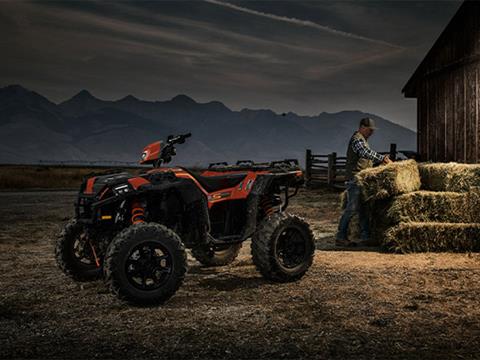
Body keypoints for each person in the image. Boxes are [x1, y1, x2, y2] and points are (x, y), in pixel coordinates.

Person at [336, 117, 392, 246]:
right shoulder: (357, 140)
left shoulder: (363, 140)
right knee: (352, 208)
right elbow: (364, 153)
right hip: (355, 179)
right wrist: (382, 158)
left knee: (363, 208)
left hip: (362, 179)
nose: (371, 133)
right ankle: (340, 236)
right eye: (370, 130)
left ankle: (366, 236)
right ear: (362, 127)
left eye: (372, 130)